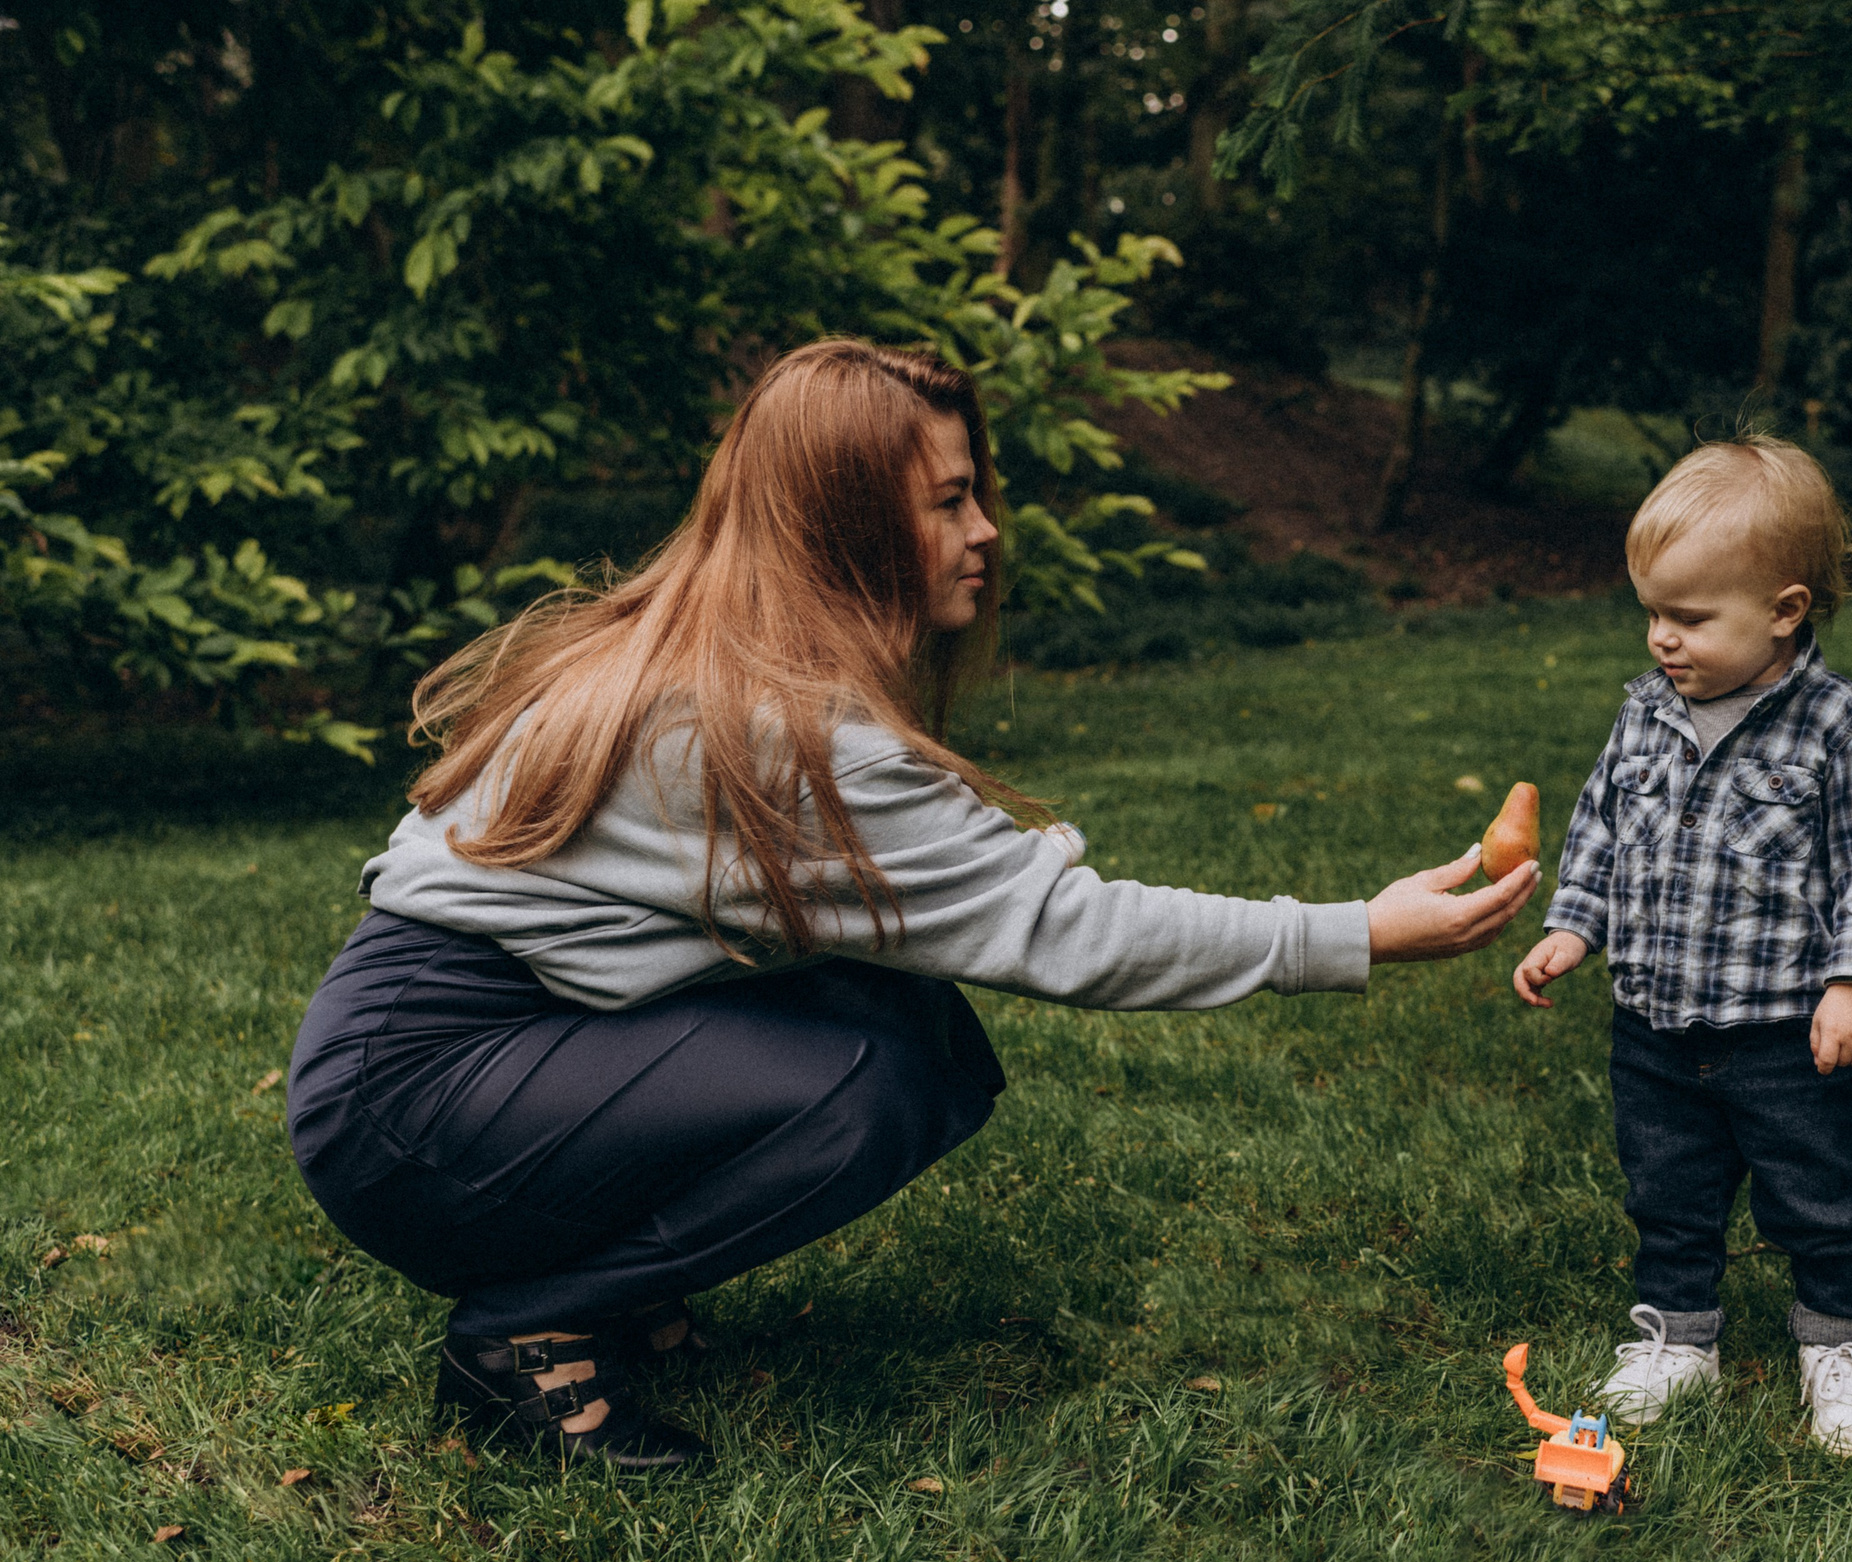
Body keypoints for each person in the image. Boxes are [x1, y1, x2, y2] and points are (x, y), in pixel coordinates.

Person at [287, 340, 1538, 1472]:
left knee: (910, 1030)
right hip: (412, 1096)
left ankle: (600, 1285)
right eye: (948, 501)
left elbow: (975, 900)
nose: (986, 528)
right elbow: (1065, 930)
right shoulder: (767, 729)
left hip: (432, 1059)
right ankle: (529, 1329)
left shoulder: (732, 674)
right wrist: (1355, 931)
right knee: (864, 1081)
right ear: (844, 520)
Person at [1510, 436, 1852, 1457]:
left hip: (1787, 1030)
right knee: (1667, 1186)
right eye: (1652, 612)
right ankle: (1673, 1335)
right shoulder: (1644, 712)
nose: (1661, 639)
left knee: (1820, 1192)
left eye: (1689, 617)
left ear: (1784, 610)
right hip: (1652, 1019)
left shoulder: (1839, 727)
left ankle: (1838, 1347)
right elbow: (1599, 823)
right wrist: (1573, 924)